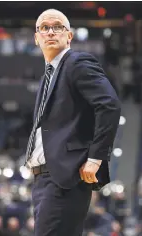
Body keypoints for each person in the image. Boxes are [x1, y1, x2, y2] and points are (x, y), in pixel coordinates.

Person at [24, 9, 121, 236]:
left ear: (69, 36)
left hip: (63, 177)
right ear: (36, 38)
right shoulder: (48, 76)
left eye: (57, 26)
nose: (50, 32)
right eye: (44, 28)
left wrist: (96, 158)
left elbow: (109, 105)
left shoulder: (77, 62)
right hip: (44, 180)